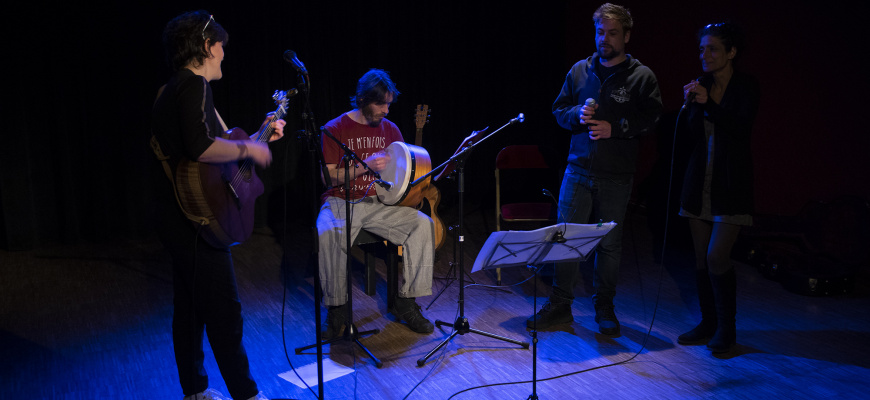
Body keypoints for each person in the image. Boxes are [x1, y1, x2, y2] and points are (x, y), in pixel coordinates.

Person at [151, 10, 285, 400]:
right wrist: (250, 148)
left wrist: (259, 140)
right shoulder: (194, 85)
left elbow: (209, 150)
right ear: (208, 47)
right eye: (221, 47)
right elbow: (201, 147)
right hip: (195, 222)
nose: (224, 54)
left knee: (190, 311)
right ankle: (247, 394)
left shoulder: (172, 89)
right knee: (225, 314)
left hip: (177, 218)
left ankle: (195, 391)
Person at [527, 3, 662, 336]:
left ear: (626, 35)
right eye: (600, 32)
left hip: (616, 175)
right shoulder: (579, 71)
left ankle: (605, 307)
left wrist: (614, 128)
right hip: (577, 169)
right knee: (566, 239)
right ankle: (560, 305)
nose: (605, 39)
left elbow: (652, 118)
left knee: (609, 245)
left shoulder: (641, 76)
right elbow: (559, 110)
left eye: (612, 33)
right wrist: (577, 115)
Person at [316, 69, 435, 338]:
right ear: (363, 100)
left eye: (389, 104)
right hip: (340, 201)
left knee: (422, 225)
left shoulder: (390, 129)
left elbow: (404, 173)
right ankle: (338, 310)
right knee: (328, 234)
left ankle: (406, 303)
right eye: (381, 104)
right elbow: (329, 178)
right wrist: (364, 166)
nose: (386, 110)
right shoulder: (335, 129)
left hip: (379, 203)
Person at [677, 22, 760, 354]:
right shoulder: (703, 85)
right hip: (699, 182)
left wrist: (709, 103)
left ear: (731, 52)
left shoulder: (747, 87)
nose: (704, 55)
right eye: (701, 49)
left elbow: (740, 129)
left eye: (712, 48)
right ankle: (708, 323)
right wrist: (691, 105)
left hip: (730, 184)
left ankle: (727, 329)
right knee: (700, 257)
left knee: (716, 256)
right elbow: (688, 137)